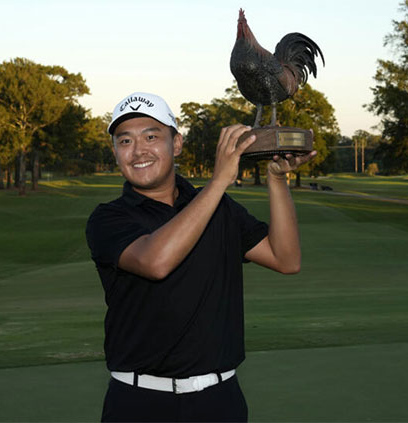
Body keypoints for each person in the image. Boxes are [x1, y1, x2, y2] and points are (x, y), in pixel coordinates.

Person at [86, 92, 316, 422]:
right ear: (115, 152)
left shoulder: (220, 209)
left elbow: (286, 259)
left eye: (152, 136)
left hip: (219, 402)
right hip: (139, 403)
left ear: (176, 144)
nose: (139, 151)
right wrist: (220, 179)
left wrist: (277, 179)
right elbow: (156, 262)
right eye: (125, 141)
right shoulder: (108, 219)